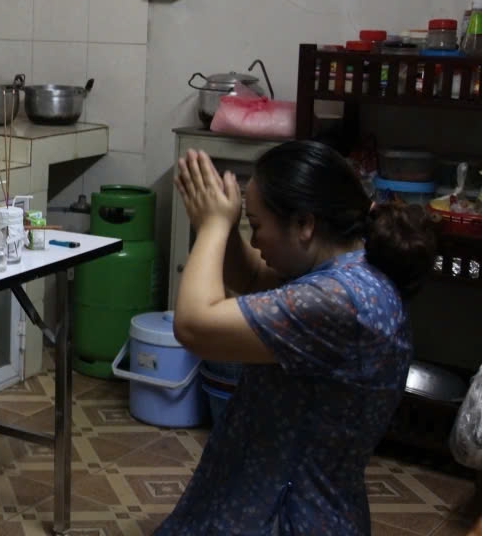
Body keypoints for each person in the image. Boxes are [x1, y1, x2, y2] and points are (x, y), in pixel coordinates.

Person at [156, 140, 437, 535]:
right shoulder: (350, 270)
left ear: (304, 224)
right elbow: (253, 277)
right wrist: (218, 222)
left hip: (287, 512)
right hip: (281, 492)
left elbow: (194, 326)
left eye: (256, 226)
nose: (254, 241)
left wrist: (215, 227)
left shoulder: (341, 300)